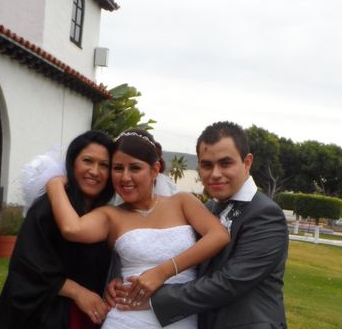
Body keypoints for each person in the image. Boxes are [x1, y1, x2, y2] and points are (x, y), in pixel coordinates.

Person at [46, 129, 230, 329]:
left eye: (135, 168)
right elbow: (71, 229)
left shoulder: (182, 202)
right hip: (126, 318)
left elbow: (219, 235)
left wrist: (162, 272)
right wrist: (54, 184)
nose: (125, 177)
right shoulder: (110, 215)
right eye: (118, 168)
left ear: (154, 169)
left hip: (179, 316)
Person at [115, 121, 289, 328]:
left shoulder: (265, 214)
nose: (215, 173)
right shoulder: (206, 209)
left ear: (247, 162)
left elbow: (231, 281)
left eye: (225, 163)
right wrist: (123, 282)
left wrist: (151, 296)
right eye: (206, 165)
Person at [0, 130, 115, 328]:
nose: (94, 171)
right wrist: (76, 291)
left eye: (104, 165)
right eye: (88, 161)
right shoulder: (48, 207)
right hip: (44, 315)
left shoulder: (106, 214)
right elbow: (27, 264)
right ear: (73, 163)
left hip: (90, 316)